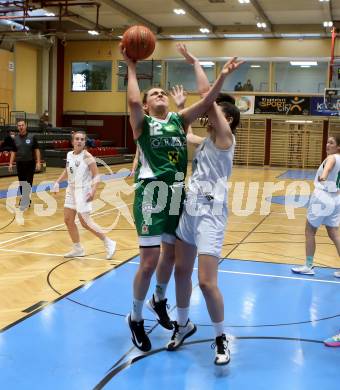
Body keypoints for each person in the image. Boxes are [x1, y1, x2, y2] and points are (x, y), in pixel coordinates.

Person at [120, 42, 242, 352]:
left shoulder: (179, 122)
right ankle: (135, 317)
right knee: (149, 262)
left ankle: (159, 299)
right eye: (154, 93)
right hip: (152, 196)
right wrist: (132, 67)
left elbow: (207, 102)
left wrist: (209, 76)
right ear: (147, 106)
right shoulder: (143, 123)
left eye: (162, 92)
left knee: (172, 258)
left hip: (181, 197)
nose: (159, 94)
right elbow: (134, 99)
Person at [165, 43, 243, 366]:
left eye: (217, 109)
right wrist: (183, 108)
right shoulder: (208, 140)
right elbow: (186, 136)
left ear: (226, 120)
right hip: (190, 210)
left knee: (206, 282)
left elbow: (205, 94)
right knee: (181, 271)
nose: (211, 109)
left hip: (211, 214)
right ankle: (183, 325)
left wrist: (201, 65)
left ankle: (221, 337)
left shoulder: (226, 140)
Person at [51, 130, 116, 259]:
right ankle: (77, 248)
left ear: (85, 142)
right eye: (77, 139)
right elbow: (67, 170)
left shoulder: (88, 156)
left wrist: (93, 190)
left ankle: (108, 242)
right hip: (71, 190)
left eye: (82, 139)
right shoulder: (69, 154)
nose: (79, 141)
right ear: (72, 141)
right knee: (68, 220)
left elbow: (96, 175)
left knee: (85, 222)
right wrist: (57, 182)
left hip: (83, 191)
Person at [291, 135, 340, 276]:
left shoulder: (332, 158)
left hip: (322, 197)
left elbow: (328, 168)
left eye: (331, 143)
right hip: (336, 199)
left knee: (310, 231)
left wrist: (323, 175)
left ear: (338, 147)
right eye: (327, 142)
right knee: (335, 234)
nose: (327, 144)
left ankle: (308, 265)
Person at [9, 120, 41, 211]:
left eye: (22, 125)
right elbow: (13, 152)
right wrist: (11, 163)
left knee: (28, 182)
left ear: (25, 126)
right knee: (22, 182)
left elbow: (37, 150)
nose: (21, 127)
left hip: (30, 163)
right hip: (20, 163)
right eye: (19, 125)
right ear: (17, 127)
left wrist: (38, 162)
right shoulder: (15, 139)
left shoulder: (32, 137)